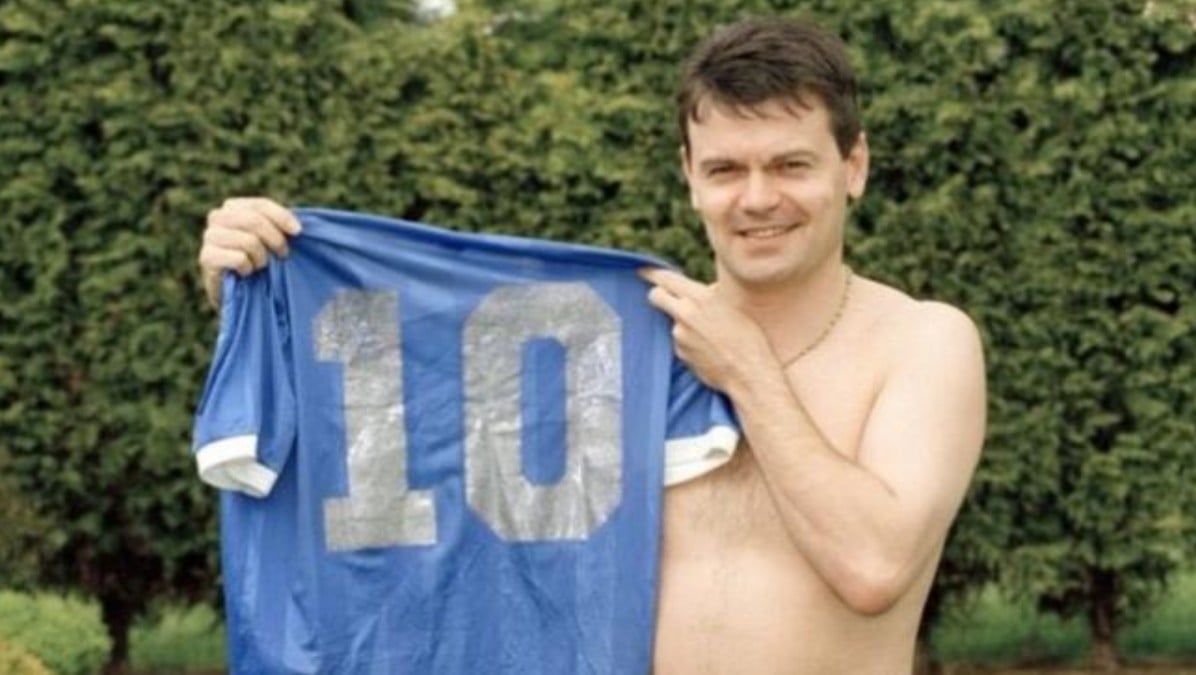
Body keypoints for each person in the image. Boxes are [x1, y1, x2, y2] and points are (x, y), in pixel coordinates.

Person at [198, 16, 986, 675]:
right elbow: (394, 437)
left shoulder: (923, 342)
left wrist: (746, 369)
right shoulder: (607, 345)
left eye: (790, 165)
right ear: (688, 175)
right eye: (724, 168)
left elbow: (874, 566)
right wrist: (261, 295)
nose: (756, 198)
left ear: (854, 166)